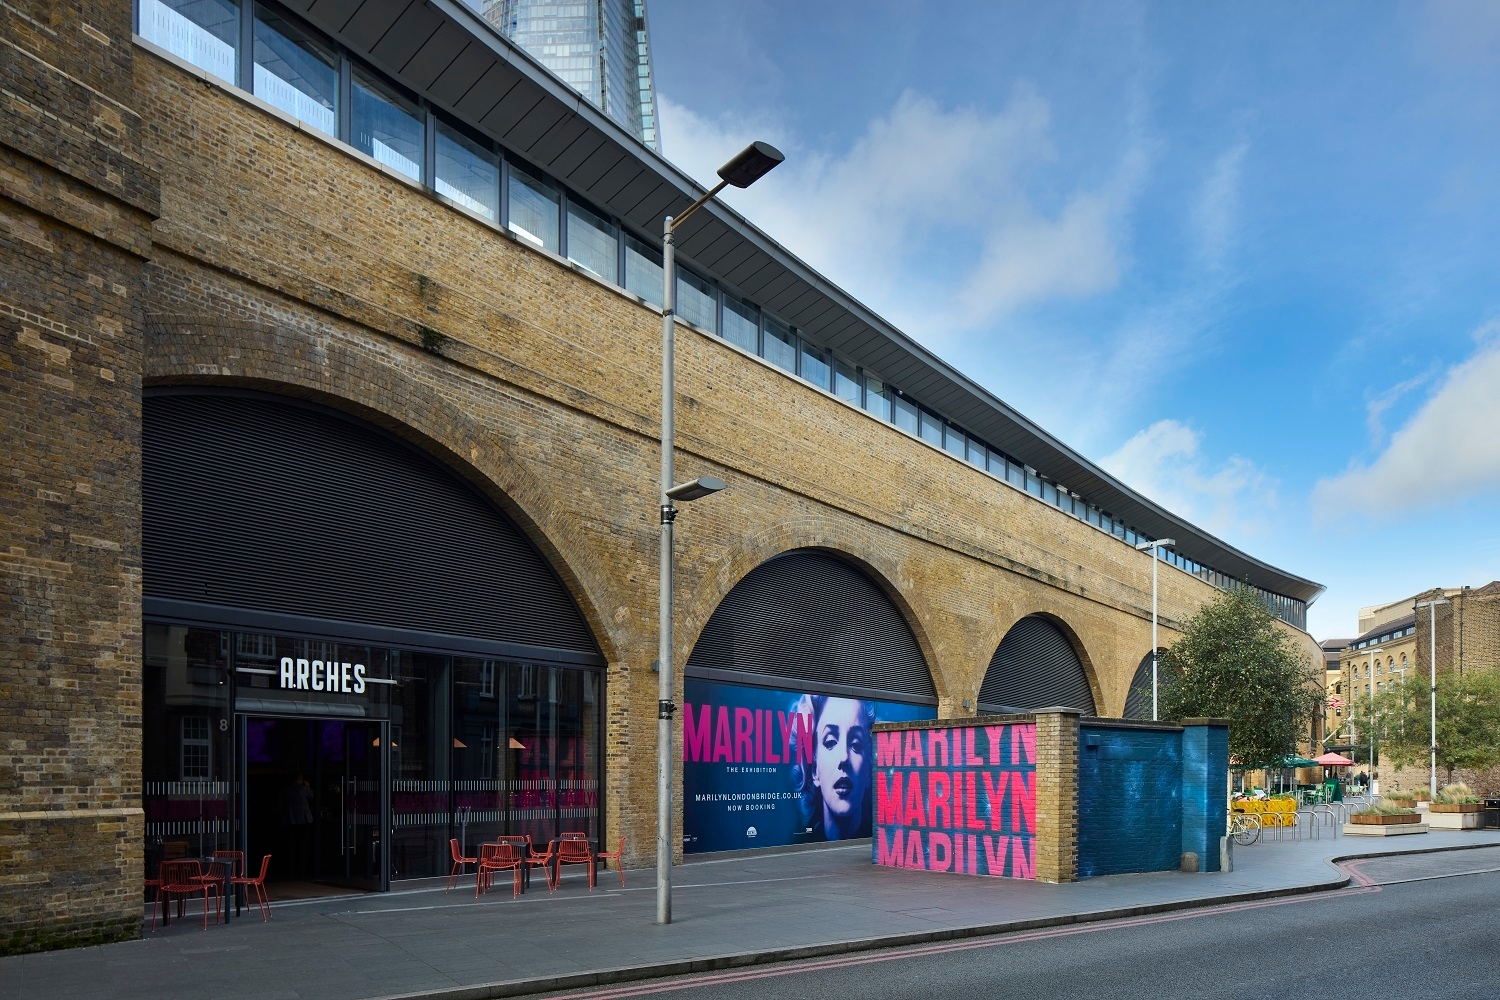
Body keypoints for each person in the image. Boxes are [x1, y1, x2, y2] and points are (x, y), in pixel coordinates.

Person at [808, 696, 875, 841]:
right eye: (830, 742)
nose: (844, 757)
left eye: (856, 745)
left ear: (869, 770)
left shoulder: (883, 840)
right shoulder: (798, 844)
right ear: (814, 768)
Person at [281, 773, 315, 879]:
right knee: (303, 846)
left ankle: (290, 868)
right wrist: (308, 786)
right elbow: (313, 797)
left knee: (290, 846)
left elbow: (281, 805)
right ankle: (302, 869)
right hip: (303, 821)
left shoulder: (286, 790)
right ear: (301, 779)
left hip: (289, 820)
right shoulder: (304, 789)